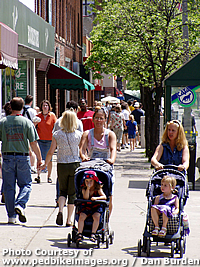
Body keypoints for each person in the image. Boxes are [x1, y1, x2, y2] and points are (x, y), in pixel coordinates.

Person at [0, 97, 42, 224]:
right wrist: (39, 159)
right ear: (22, 108)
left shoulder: (3, 122)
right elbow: (34, 143)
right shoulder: (27, 122)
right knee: (26, 184)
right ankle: (20, 204)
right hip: (23, 157)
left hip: (7, 157)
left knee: (8, 187)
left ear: (10, 107)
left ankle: (11, 216)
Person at [41, 109, 82, 226]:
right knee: (72, 193)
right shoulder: (79, 135)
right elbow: (82, 151)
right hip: (75, 164)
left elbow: (51, 151)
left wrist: (45, 163)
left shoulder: (57, 135)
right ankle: (69, 220)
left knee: (62, 190)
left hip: (61, 165)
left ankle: (60, 211)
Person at [79, 108, 116, 216]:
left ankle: (106, 219)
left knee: (109, 191)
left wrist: (112, 160)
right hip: (91, 166)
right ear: (93, 119)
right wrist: (83, 156)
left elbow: (113, 149)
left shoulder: (110, 134)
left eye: (101, 118)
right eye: (97, 118)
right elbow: (81, 148)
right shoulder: (87, 134)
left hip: (105, 166)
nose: (99, 120)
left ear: (105, 120)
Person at [53, 100, 83, 206]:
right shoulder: (78, 124)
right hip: (74, 160)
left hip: (61, 160)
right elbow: (81, 144)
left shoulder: (58, 122)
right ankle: (69, 219)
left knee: (61, 184)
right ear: (75, 109)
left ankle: (59, 200)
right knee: (72, 190)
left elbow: (54, 142)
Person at [76, 170, 107, 242]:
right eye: (87, 181)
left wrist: (96, 198)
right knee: (82, 216)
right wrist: (88, 189)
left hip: (96, 206)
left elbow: (104, 197)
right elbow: (86, 198)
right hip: (86, 206)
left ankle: (93, 233)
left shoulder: (98, 188)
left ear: (94, 181)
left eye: (90, 181)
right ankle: (80, 233)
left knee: (96, 216)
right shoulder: (84, 189)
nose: (88, 183)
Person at [35, 100, 57, 183]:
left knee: (49, 159)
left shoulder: (52, 116)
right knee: (39, 159)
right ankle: (38, 175)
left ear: (49, 107)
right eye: (43, 105)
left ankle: (49, 176)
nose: (45, 107)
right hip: (40, 140)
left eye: (46, 105)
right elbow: (34, 127)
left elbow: (56, 127)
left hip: (50, 141)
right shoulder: (38, 116)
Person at [22, 95, 39, 174]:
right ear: (31, 102)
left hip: (21, 133)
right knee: (31, 150)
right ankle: (32, 166)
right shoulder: (32, 111)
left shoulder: (21, 110)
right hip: (30, 132)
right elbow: (36, 120)